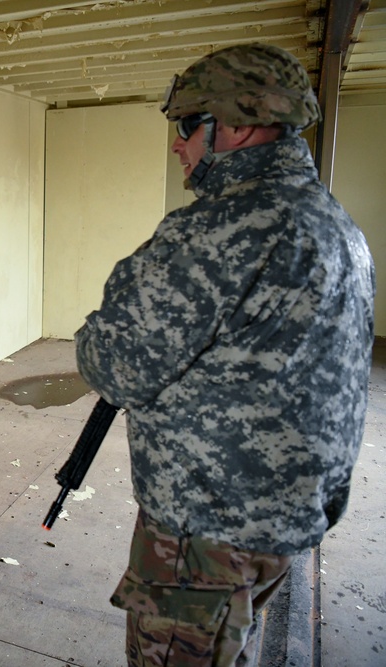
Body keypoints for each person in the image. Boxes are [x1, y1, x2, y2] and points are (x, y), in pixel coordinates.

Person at [74, 43, 375, 666]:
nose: (178, 146)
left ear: (237, 126)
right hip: (283, 518)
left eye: (187, 126)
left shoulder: (216, 231)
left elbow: (111, 364)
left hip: (208, 530)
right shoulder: (335, 224)